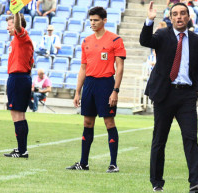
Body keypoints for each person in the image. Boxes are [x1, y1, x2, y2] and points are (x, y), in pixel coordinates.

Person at [140, 2, 198, 192]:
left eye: (182, 13)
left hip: (186, 96)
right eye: (175, 14)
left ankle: (196, 182)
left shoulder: (197, 40)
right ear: (170, 18)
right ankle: (156, 183)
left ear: (188, 17)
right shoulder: (163, 35)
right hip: (164, 94)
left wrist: (196, 91)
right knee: (159, 139)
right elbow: (145, 41)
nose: (179, 17)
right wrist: (149, 20)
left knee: (190, 138)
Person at [66, 7, 126, 173]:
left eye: (96, 20)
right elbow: (83, 68)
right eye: (91, 20)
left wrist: (115, 90)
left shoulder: (115, 40)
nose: (92, 23)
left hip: (106, 84)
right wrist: (78, 92)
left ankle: (113, 164)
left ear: (104, 20)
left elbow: (120, 67)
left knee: (109, 122)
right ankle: (83, 163)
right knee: (87, 122)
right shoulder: (86, 41)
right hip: (89, 85)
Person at [3, 12, 34, 158]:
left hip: (18, 78)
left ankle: (22, 150)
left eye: (9, 25)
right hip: (20, 78)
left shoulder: (22, 36)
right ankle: (21, 149)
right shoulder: (17, 41)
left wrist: (16, 11)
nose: (7, 28)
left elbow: (17, 26)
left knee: (17, 114)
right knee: (17, 113)